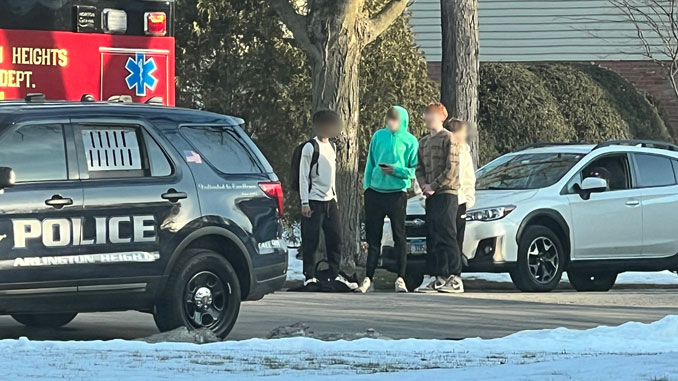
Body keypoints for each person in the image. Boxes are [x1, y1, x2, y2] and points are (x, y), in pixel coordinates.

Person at [357, 106, 419, 293]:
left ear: (403, 122)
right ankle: (368, 277)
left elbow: (414, 169)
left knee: (399, 235)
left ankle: (400, 278)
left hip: (397, 193)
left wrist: (396, 170)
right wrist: (366, 186)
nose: (391, 123)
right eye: (389, 119)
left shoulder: (410, 141)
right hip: (375, 192)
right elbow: (370, 162)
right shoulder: (378, 136)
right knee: (372, 238)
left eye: (395, 120)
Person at [299, 110, 353, 289]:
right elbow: (303, 176)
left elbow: (331, 176)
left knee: (335, 238)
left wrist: (335, 196)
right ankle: (309, 275)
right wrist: (304, 202)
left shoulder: (332, 147)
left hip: (330, 200)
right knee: (311, 239)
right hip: (313, 201)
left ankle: (334, 272)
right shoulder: (310, 147)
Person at [414, 104, 464, 293]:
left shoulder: (450, 139)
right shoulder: (424, 142)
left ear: (442, 117)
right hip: (430, 195)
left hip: (447, 193)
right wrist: (424, 185)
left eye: (432, 114)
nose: (428, 117)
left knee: (447, 233)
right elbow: (419, 167)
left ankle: (455, 276)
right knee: (433, 234)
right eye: (426, 114)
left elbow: (451, 169)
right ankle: (439, 275)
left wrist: (434, 185)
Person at [446, 119, 476, 266]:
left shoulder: (464, 153)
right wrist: (424, 198)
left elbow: (470, 178)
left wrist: (468, 199)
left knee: (457, 239)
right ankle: (441, 274)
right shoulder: (438, 150)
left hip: (460, 202)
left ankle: (455, 275)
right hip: (443, 201)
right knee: (444, 238)